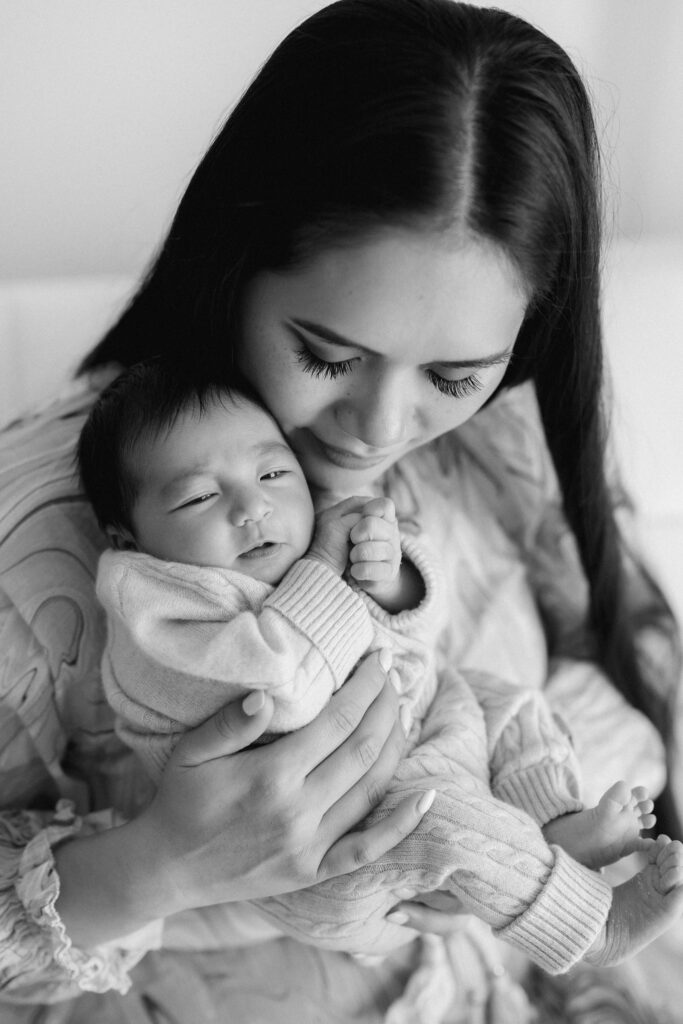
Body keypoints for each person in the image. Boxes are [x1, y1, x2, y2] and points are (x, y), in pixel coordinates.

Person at [1, 0, 681, 1020]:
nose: (377, 426)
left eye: (455, 373)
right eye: (326, 354)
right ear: (235, 265)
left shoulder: (498, 436)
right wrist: (154, 866)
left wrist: (545, 814)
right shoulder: (56, 539)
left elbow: (612, 662)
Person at [76, 356, 682, 969]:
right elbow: (281, 686)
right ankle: (589, 927)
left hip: (425, 735)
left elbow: (422, 631)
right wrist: (329, 568)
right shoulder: (154, 608)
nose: (251, 507)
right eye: (200, 497)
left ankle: (555, 823)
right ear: (127, 537)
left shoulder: (309, 527)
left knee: (513, 705)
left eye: (273, 471)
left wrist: (393, 579)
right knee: (447, 822)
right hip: (329, 849)